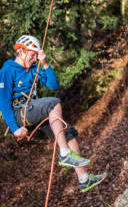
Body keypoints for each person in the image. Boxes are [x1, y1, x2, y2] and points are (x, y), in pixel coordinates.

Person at [0, 35, 106, 192]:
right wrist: (15, 128)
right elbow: (3, 103)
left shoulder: (34, 69)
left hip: (32, 110)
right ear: (21, 52)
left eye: (36, 55)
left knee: (67, 132)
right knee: (53, 103)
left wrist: (45, 63)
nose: (35, 58)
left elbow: (54, 84)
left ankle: (84, 179)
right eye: (32, 54)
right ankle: (64, 153)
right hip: (20, 113)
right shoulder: (7, 70)